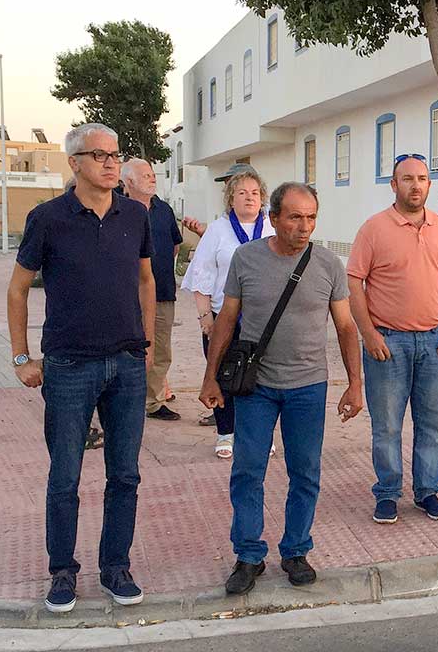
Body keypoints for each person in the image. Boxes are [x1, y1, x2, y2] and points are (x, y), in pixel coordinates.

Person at [6, 122, 156, 614]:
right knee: (65, 475)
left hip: (127, 364)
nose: (111, 164)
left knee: (126, 475)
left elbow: (146, 280)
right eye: (99, 156)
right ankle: (62, 573)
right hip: (69, 365)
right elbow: (18, 288)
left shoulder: (135, 214)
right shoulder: (48, 218)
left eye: (115, 156)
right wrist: (22, 356)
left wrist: (147, 345)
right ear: (74, 163)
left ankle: (116, 568)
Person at [199, 182, 363, 593]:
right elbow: (226, 321)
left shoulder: (327, 264)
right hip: (256, 386)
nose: (304, 226)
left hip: (308, 386)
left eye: (310, 217)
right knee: (247, 470)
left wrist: (355, 383)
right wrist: (210, 377)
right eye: (294, 217)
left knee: (305, 472)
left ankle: (295, 551)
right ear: (273, 219)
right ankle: (249, 554)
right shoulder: (246, 259)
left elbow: (345, 326)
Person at [348, 153, 438, 524]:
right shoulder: (374, 229)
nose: (415, 185)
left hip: (435, 343)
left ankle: (428, 491)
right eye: (407, 179)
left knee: (432, 423)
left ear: (429, 185)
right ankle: (387, 493)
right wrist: (368, 334)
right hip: (388, 343)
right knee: (386, 426)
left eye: (422, 178)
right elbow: (354, 281)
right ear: (393, 185)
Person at [181, 168, 275, 457]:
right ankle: (225, 433)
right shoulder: (218, 231)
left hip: (262, 320)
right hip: (225, 318)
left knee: (262, 380)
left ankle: (259, 436)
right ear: (230, 198)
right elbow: (202, 274)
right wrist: (204, 317)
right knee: (224, 376)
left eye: (255, 193)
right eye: (242, 193)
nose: (249, 198)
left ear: (263, 199)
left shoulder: (272, 228)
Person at [122, 158, 184, 422]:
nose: (152, 178)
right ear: (128, 182)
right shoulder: (117, 209)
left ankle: (154, 401)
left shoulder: (164, 210)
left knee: (160, 349)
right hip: (123, 295)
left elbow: (175, 247)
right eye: (145, 175)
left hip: (162, 292)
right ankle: (124, 399)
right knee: (124, 348)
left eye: (152, 174)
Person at [180, 163, 259, 237]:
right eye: (226, 184)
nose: (225, 190)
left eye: (231, 184)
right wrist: (203, 233)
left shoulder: (269, 221)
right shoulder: (226, 217)